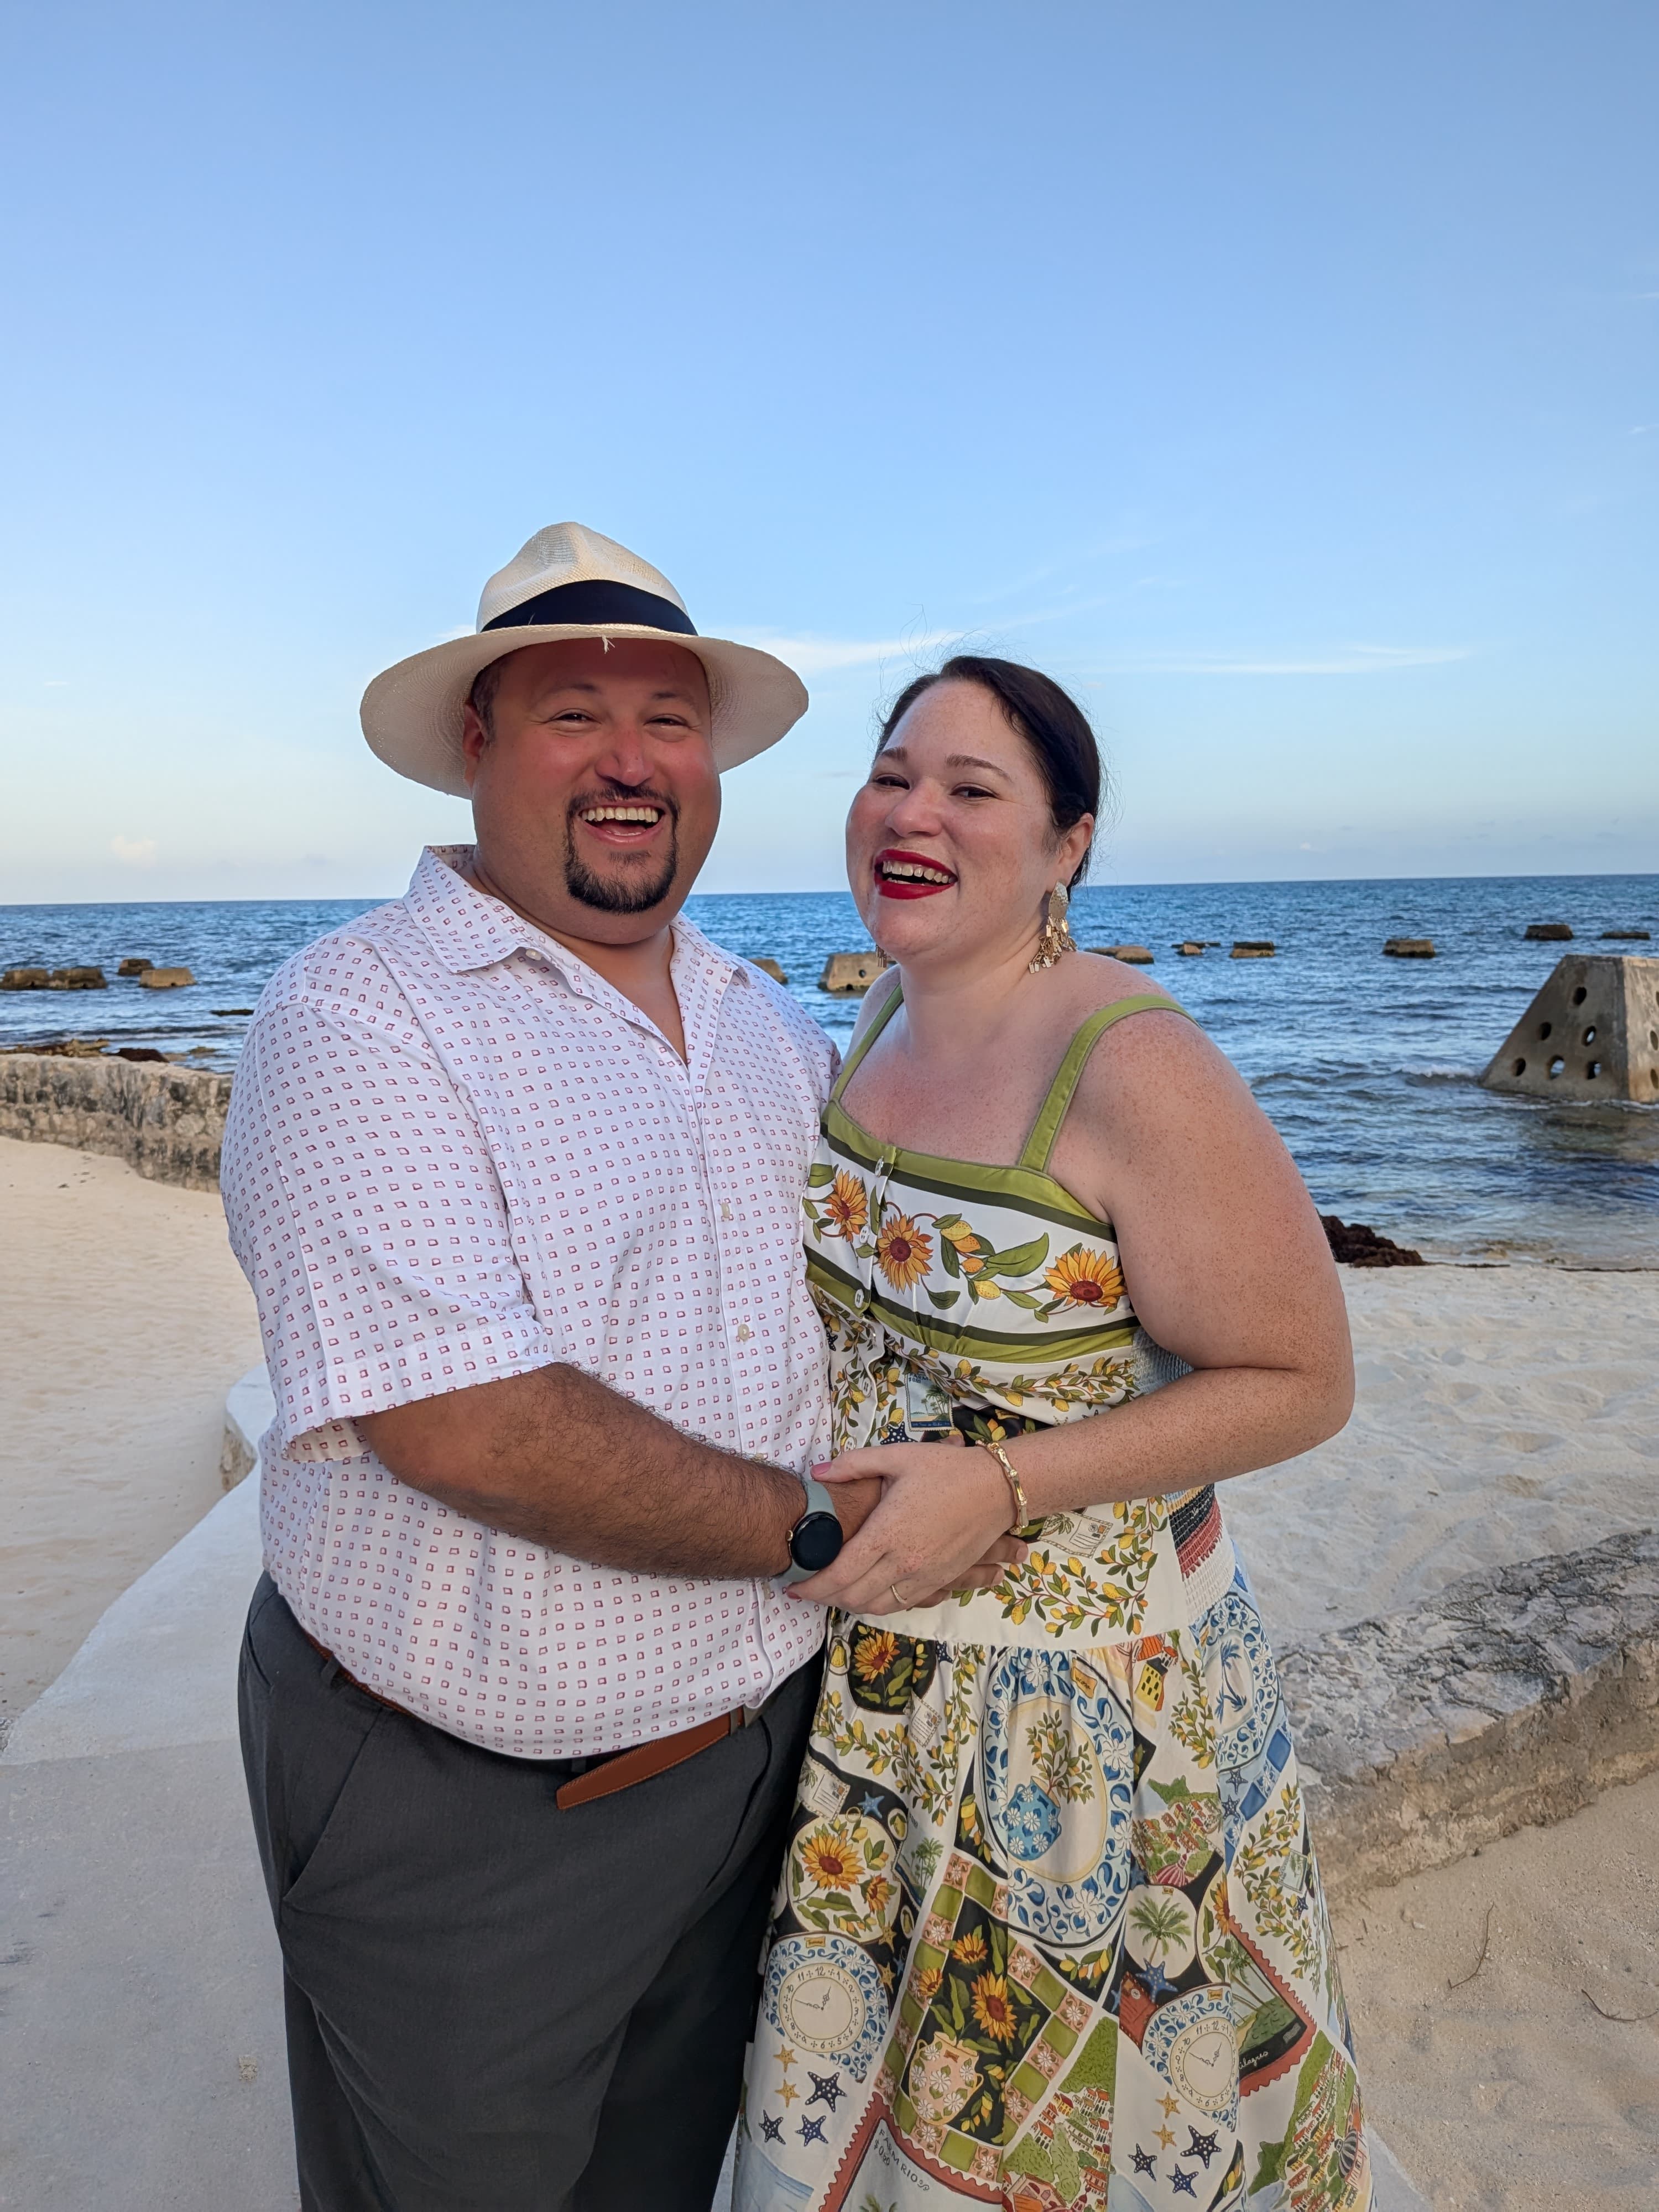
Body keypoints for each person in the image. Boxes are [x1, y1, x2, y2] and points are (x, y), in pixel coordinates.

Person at [221, 523, 1021, 2212]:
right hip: (469, 1814)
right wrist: (831, 1534)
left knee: (666, 2182)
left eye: (669, 718)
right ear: (478, 742)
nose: (631, 761)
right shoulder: (359, 1014)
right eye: (574, 712)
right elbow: (468, 1422)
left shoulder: (767, 1023)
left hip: (756, 1770)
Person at [737, 658, 1371, 2211]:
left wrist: (1007, 1483)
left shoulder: (1132, 1062)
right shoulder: (885, 1004)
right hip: (884, 1702)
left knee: (1085, 2144)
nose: (913, 814)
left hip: (1085, 1729)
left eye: (972, 789)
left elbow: (1303, 1376)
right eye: (894, 773)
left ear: (1068, 844)